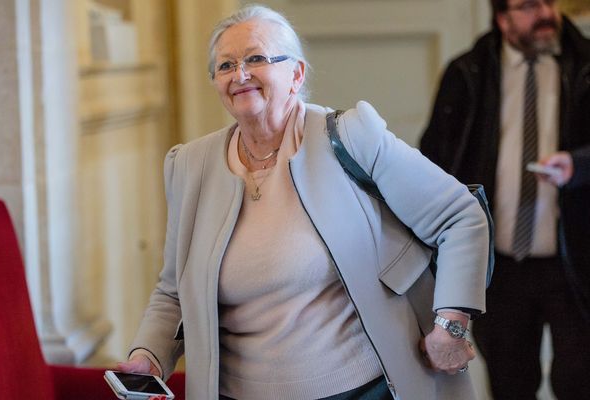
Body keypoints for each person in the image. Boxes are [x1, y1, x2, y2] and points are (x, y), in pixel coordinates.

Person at [117, 5, 489, 400]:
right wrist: (149, 355)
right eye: (225, 65)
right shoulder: (189, 166)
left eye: (256, 58)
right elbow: (173, 290)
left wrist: (450, 325)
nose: (239, 74)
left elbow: (459, 216)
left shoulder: (351, 136)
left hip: (361, 390)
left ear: (296, 74)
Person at [420, 0, 590, 399]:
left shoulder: (585, 67)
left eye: (550, 1)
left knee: (580, 382)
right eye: (529, 5)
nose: (546, 14)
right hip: (498, 267)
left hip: (578, 262)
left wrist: (579, 164)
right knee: (510, 384)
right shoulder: (467, 74)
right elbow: (433, 163)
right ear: (502, 17)